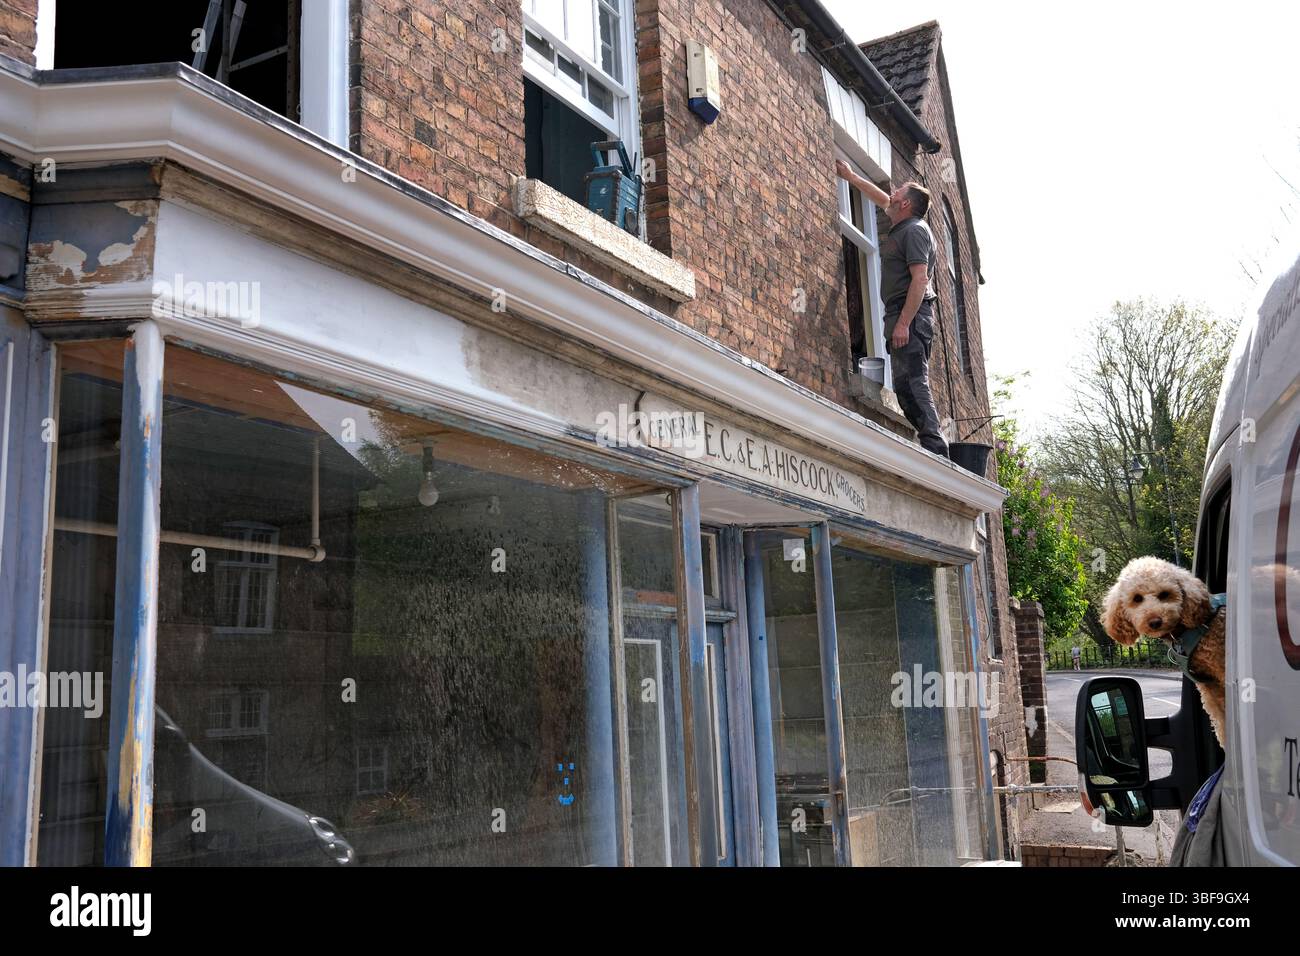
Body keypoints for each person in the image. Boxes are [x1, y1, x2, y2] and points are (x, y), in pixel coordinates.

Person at [834, 160, 948, 457]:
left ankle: (937, 449)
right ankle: (929, 444)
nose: (892, 191)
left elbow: (920, 279)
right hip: (901, 313)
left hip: (911, 313)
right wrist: (850, 176)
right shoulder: (903, 222)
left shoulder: (914, 231)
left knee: (913, 380)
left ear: (906, 203)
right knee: (903, 386)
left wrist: (903, 324)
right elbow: (881, 199)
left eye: (898, 191)